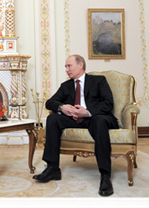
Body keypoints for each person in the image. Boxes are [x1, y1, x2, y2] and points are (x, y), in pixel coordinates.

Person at [33, 54, 118, 197]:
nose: (66, 69)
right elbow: (50, 102)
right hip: (74, 119)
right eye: (65, 67)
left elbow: (108, 103)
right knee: (53, 118)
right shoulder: (66, 86)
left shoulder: (98, 81)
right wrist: (62, 107)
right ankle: (53, 168)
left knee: (100, 121)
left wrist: (88, 112)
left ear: (80, 65)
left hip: (94, 118)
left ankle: (105, 176)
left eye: (69, 66)